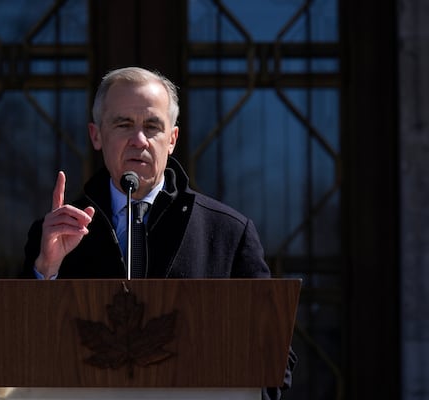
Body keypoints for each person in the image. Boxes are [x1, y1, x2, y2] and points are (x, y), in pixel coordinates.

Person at [22, 66, 297, 399]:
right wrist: (47, 271)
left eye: (152, 126)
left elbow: (275, 359)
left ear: (172, 139)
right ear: (96, 135)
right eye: (123, 124)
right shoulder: (54, 233)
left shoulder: (227, 232)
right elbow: (18, 351)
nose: (139, 140)